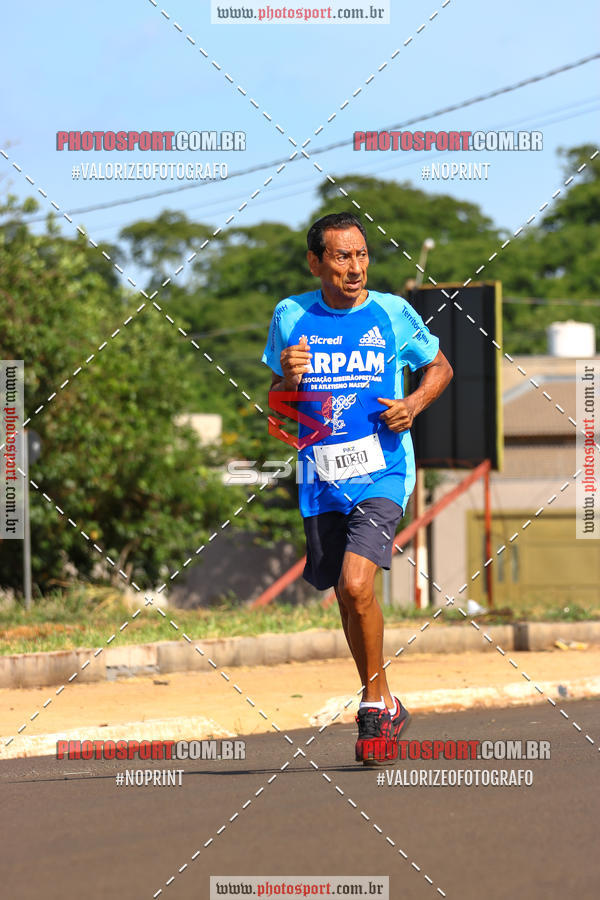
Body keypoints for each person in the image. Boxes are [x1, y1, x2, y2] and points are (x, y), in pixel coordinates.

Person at [262, 212, 453, 764]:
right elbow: (278, 401)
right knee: (347, 596)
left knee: (355, 581)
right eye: (342, 256)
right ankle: (386, 700)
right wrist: (288, 378)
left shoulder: (392, 312)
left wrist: (413, 404)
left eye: (362, 255)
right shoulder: (290, 315)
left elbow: (439, 368)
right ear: (315, 262)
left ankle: (372, 707)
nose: (355, 267)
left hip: (383, 471)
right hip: (321, 475)